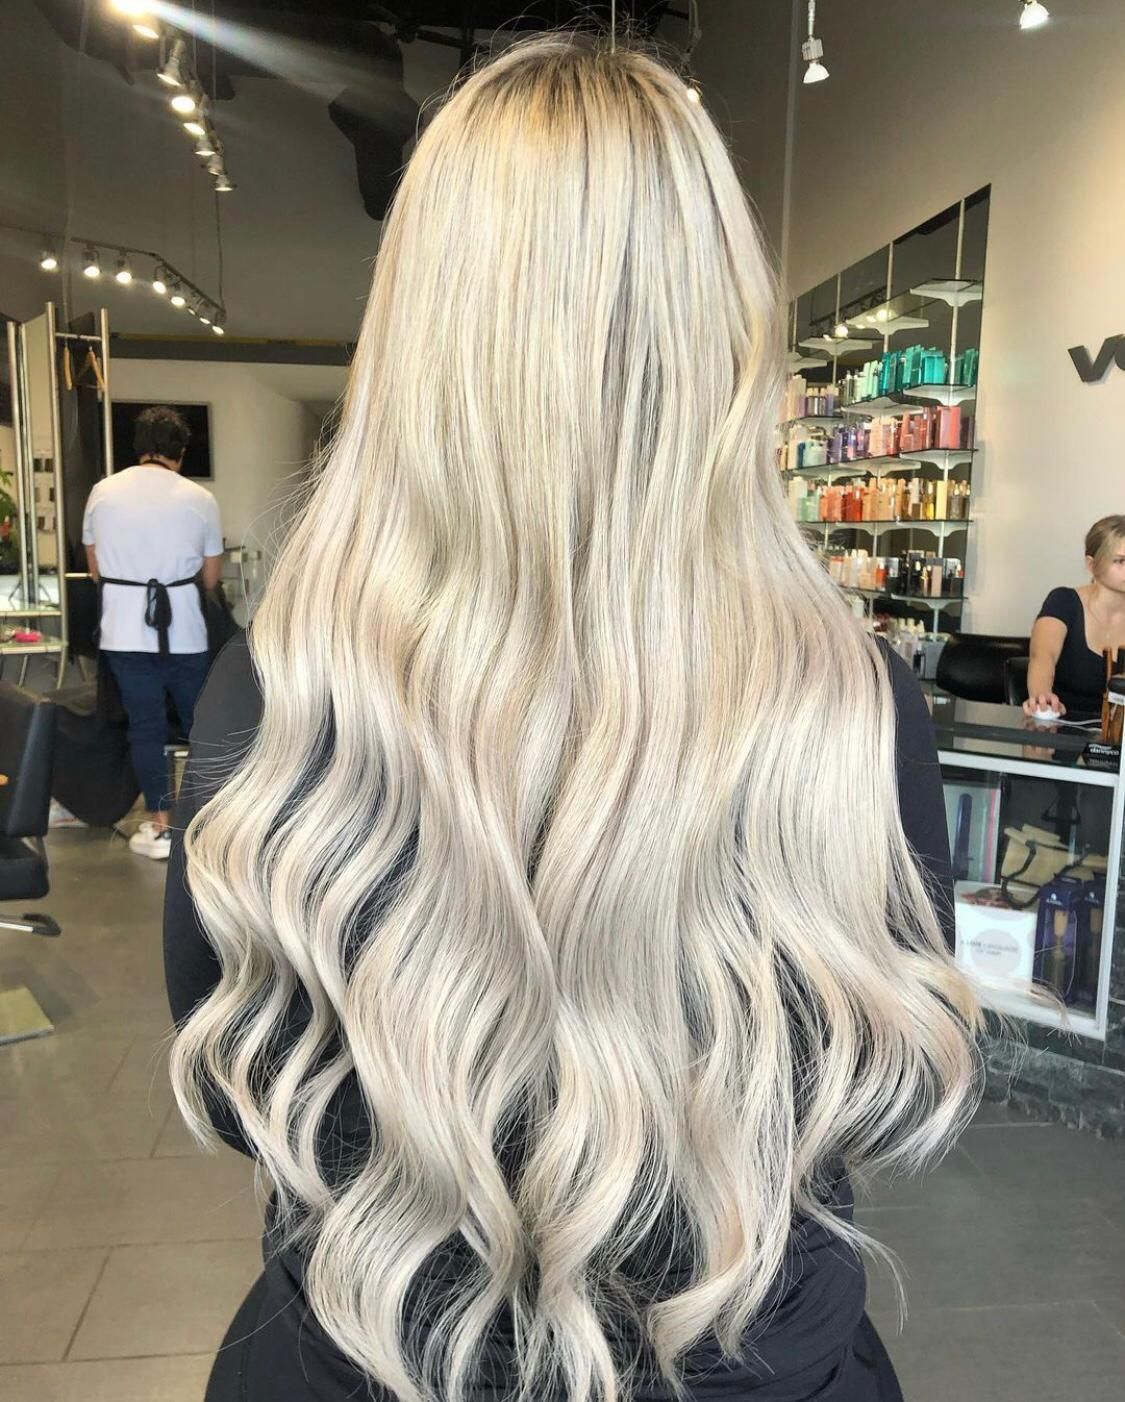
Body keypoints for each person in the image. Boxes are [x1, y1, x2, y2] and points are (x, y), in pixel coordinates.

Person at [163, 34, 980, 1402]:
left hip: (364, 1355)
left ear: (420, 328)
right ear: (716, 328)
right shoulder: (850, 701)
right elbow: (872, 1087)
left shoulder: (280, 688)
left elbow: (244, 1073)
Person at [82, 405, 224, 859]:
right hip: (183, 630)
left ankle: (161, 828)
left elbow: (95, 569)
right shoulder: (199, 499)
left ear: (138, 447)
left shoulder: (103, 492)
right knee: (201, 727)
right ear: (180, 450)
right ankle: (206, 826)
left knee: (145, 728)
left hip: (124, 630)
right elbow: (211, 578)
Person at [1024, 515, 1125, 718]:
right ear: (1091, 564)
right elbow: (1043, 656)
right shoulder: (1064, 602)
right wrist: (1042, 696)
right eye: (1120, 561)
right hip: (1065, 730)